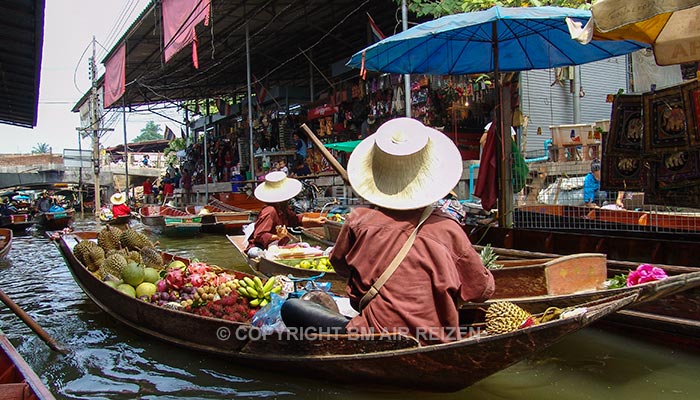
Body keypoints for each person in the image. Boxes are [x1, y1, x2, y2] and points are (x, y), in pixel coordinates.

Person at [282, 118, 495, 344]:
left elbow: (340, 266)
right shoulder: (448, 228)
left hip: (371, 335)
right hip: (434, 338)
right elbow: (481, 290)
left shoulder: (358, 221)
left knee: (292, 307)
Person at [246, 171, 326, 256]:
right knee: (255, 253)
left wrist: (316, 221)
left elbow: (295, 220)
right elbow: (259, 236)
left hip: (277, 246)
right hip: (261, 247)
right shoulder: (270, 211)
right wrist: (277, 236)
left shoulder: (283, 208)